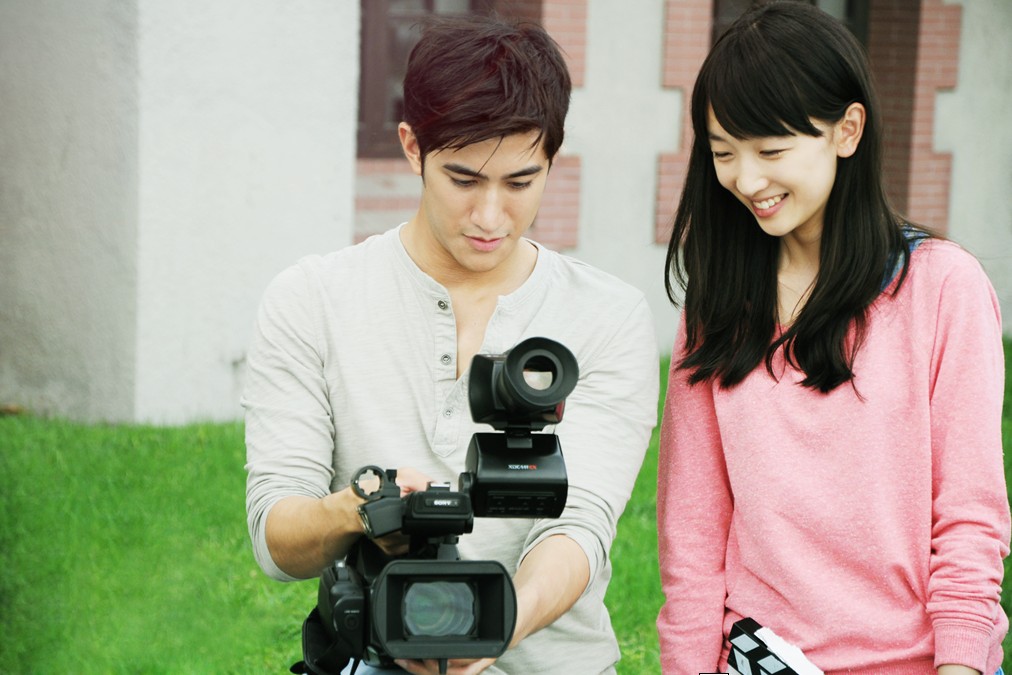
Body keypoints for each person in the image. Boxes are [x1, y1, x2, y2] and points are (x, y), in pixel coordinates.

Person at [242, 14, 659, 675]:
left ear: (552, 159)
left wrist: (492, 628)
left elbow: (579, 525)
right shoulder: (312, 299)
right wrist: (360, 509)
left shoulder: (607, 316)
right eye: (464, 180)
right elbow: (276, 538)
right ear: (413, 148)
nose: (490, 216)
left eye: (520, 182)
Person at [656, 3, 1009, 675]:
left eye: (771, 150)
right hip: (762, 659)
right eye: (724, 152)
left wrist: (961, 662)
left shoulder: (943, 287)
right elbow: (692, 534)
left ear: (847, 131)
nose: (746, 180)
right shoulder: (717, 304)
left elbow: (969, 515)